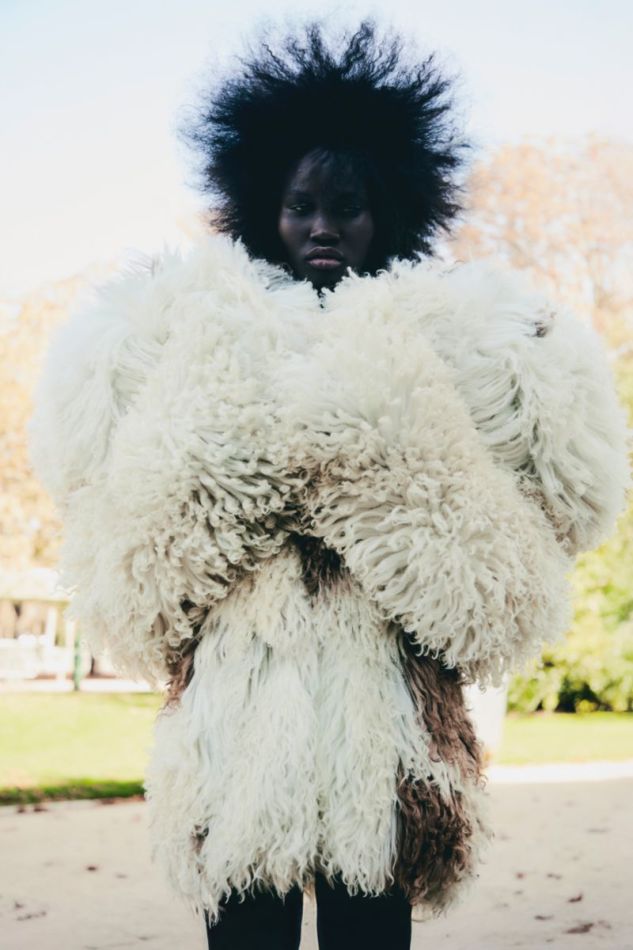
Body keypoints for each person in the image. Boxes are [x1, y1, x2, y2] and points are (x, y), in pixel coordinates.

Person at [28, 20, 630, 950]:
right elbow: (114, 515)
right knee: (246, 923)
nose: (321, 226)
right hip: (237, 712)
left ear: (387, 210)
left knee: (368, 919)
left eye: (347, 206)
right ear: (260, 207)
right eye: (299, 204)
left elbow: (560, 498)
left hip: (384, 721)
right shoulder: (183, 326)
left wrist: (372, 464)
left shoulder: (461, 336)